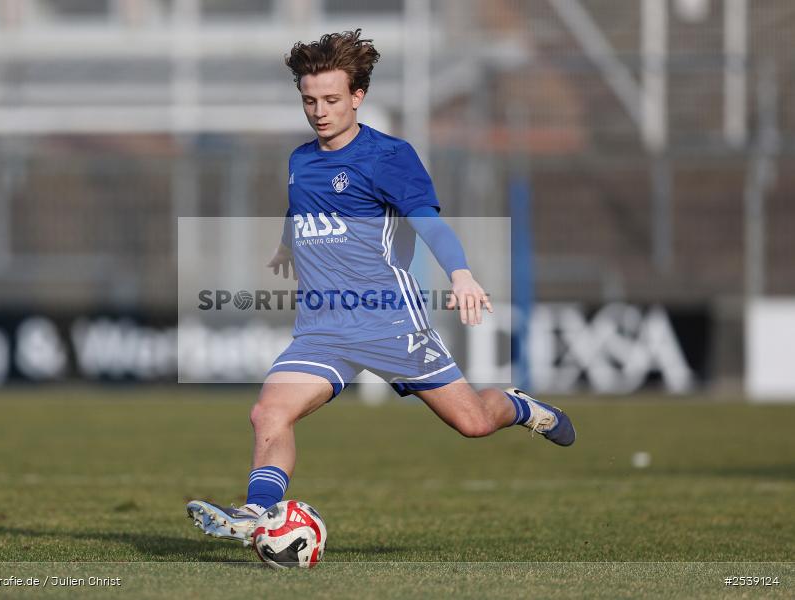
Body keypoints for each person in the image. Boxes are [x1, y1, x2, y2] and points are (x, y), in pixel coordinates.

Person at [187, 29, 574, 546]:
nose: (319, 111)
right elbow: (299, 207)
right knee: (268, 412)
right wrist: (285, 246)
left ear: (357, 96)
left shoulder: (389, 157)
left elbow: (430, 223)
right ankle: (256, 511)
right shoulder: (301, 160)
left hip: (389, 322)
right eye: (309, 101)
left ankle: (520, 407)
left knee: (474, 423)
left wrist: (460, 273)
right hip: (323, 327)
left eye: (330, 99)